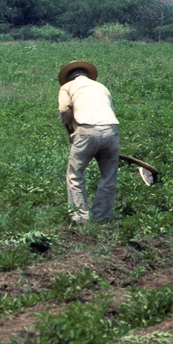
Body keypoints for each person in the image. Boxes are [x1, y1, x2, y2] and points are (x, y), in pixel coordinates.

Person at [58, 61, 119, 223]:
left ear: (69, 77)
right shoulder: (101, 86)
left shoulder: (67, 87)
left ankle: (80, 218)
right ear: (87, 74)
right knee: (109, 176)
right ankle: (102, 217)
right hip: (111, 129)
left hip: (86, 130)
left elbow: (64, 110)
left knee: (75, 175)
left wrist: (71, 131)